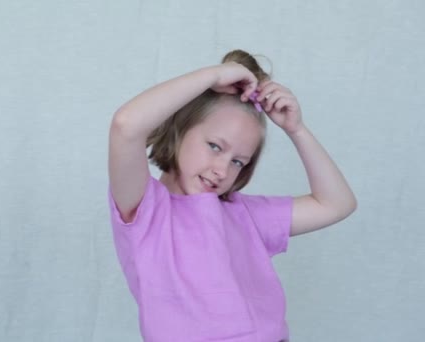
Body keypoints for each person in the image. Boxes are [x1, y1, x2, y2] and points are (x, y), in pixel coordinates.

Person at [107, 50, 357, 342]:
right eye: (215, 146)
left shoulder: (246, 215)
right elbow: (125, 126)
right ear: (181, 129)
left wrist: (296, 130)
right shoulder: (147, 211)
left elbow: (337, 203)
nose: (222, 169)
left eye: (239, 161)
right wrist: (212, 76)